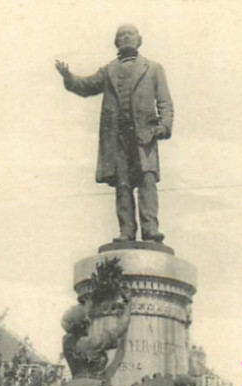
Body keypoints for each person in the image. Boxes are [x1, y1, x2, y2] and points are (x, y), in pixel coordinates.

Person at [56, 25, 173, 243]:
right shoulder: (109, 70)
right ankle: (126, 231)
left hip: (144, 137)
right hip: (117, 138)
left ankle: (150, 229)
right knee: (123, 184)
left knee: (147, 180)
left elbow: (165, 102)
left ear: (140, 40)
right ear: (116, 42)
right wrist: (68, 77)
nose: (126, 37)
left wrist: (163, 127)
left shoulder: (154, 68)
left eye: (130, 34)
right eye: (121, 35)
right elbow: (87, 86)